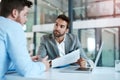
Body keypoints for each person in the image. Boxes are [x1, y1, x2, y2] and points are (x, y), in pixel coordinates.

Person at [0, 0, 50, 80]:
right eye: (25, 15)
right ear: (15, 13)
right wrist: (44, 65)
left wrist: (24, 60)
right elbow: (27, 70)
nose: (26, 20)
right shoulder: (13, 27)